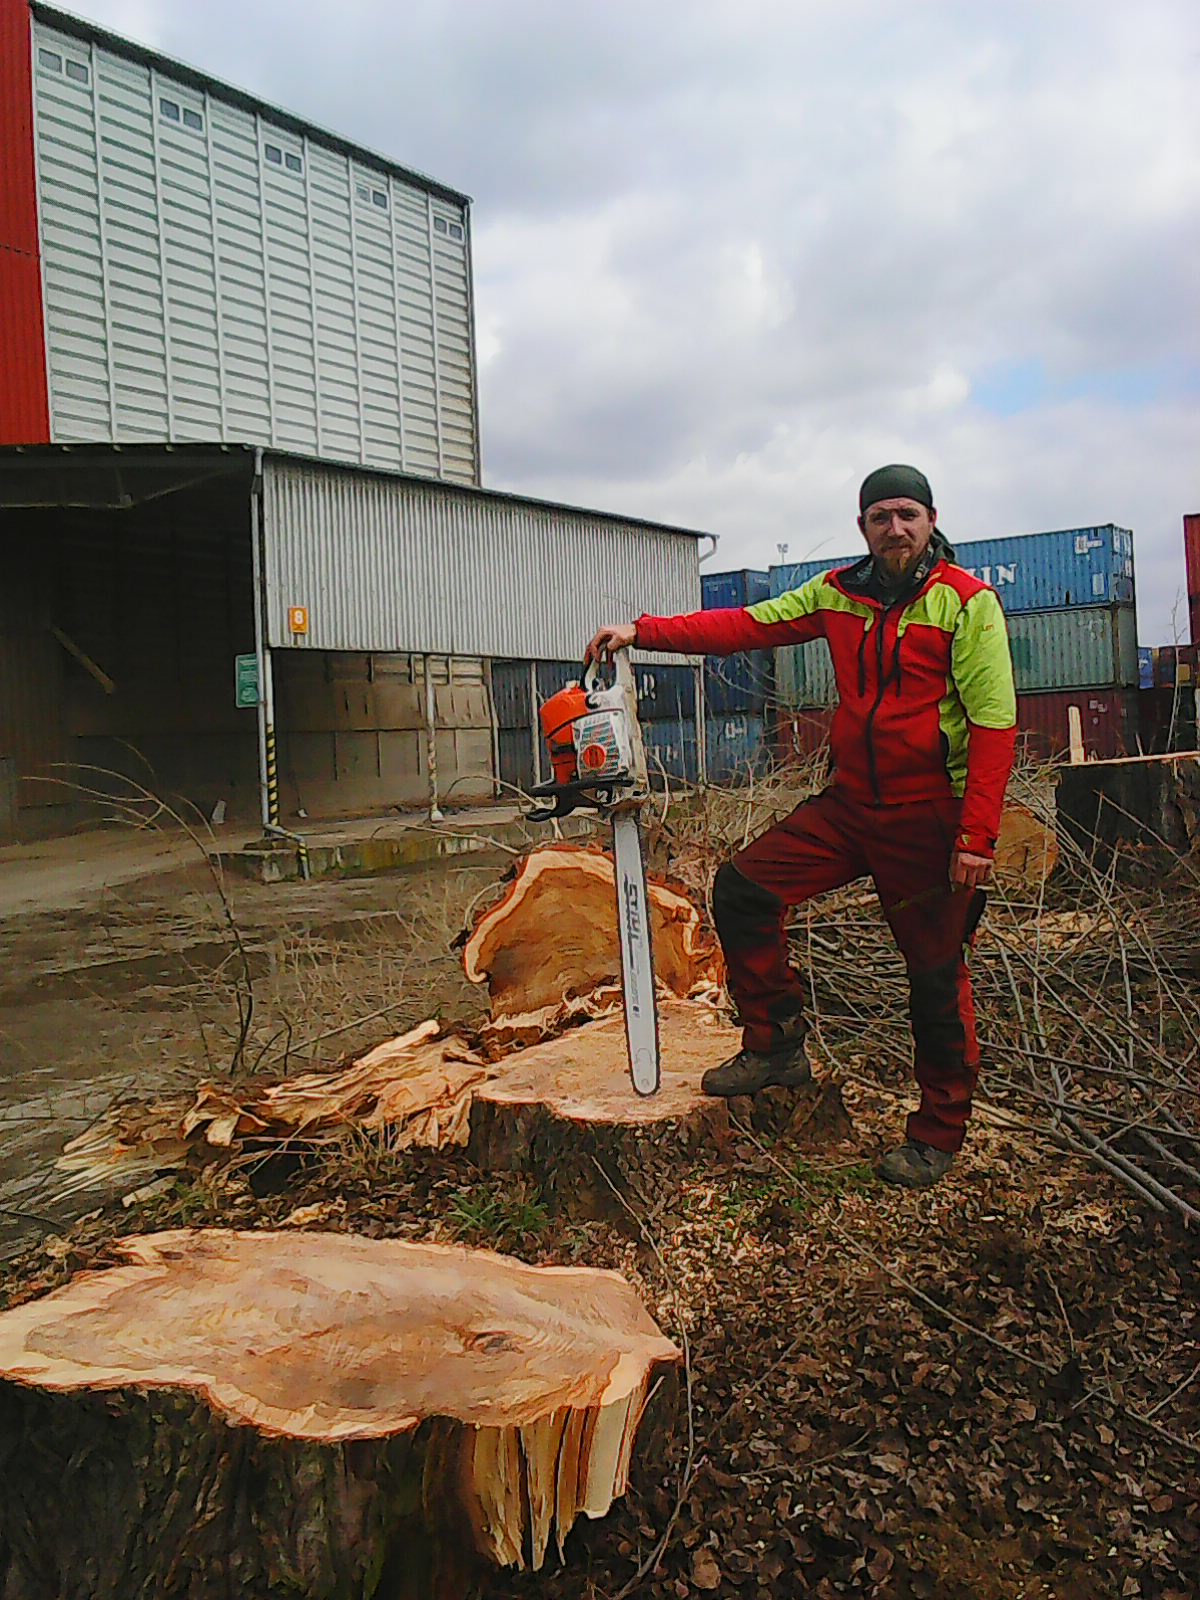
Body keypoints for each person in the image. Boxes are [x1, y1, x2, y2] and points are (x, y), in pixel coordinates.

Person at [587, 464, 1017, 1187]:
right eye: (881, 516)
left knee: (936, 977)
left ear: (932, 518)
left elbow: (995, 725)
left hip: (927, 819)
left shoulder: (967, 605)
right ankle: (776, 1044)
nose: (896, 528)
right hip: (851, 807)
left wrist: (977, 838)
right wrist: (642, 631)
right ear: (863, 527)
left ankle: (939, 1130)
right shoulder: (837, 594)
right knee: (745, 889)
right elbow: (744, 626)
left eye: (908, 514)